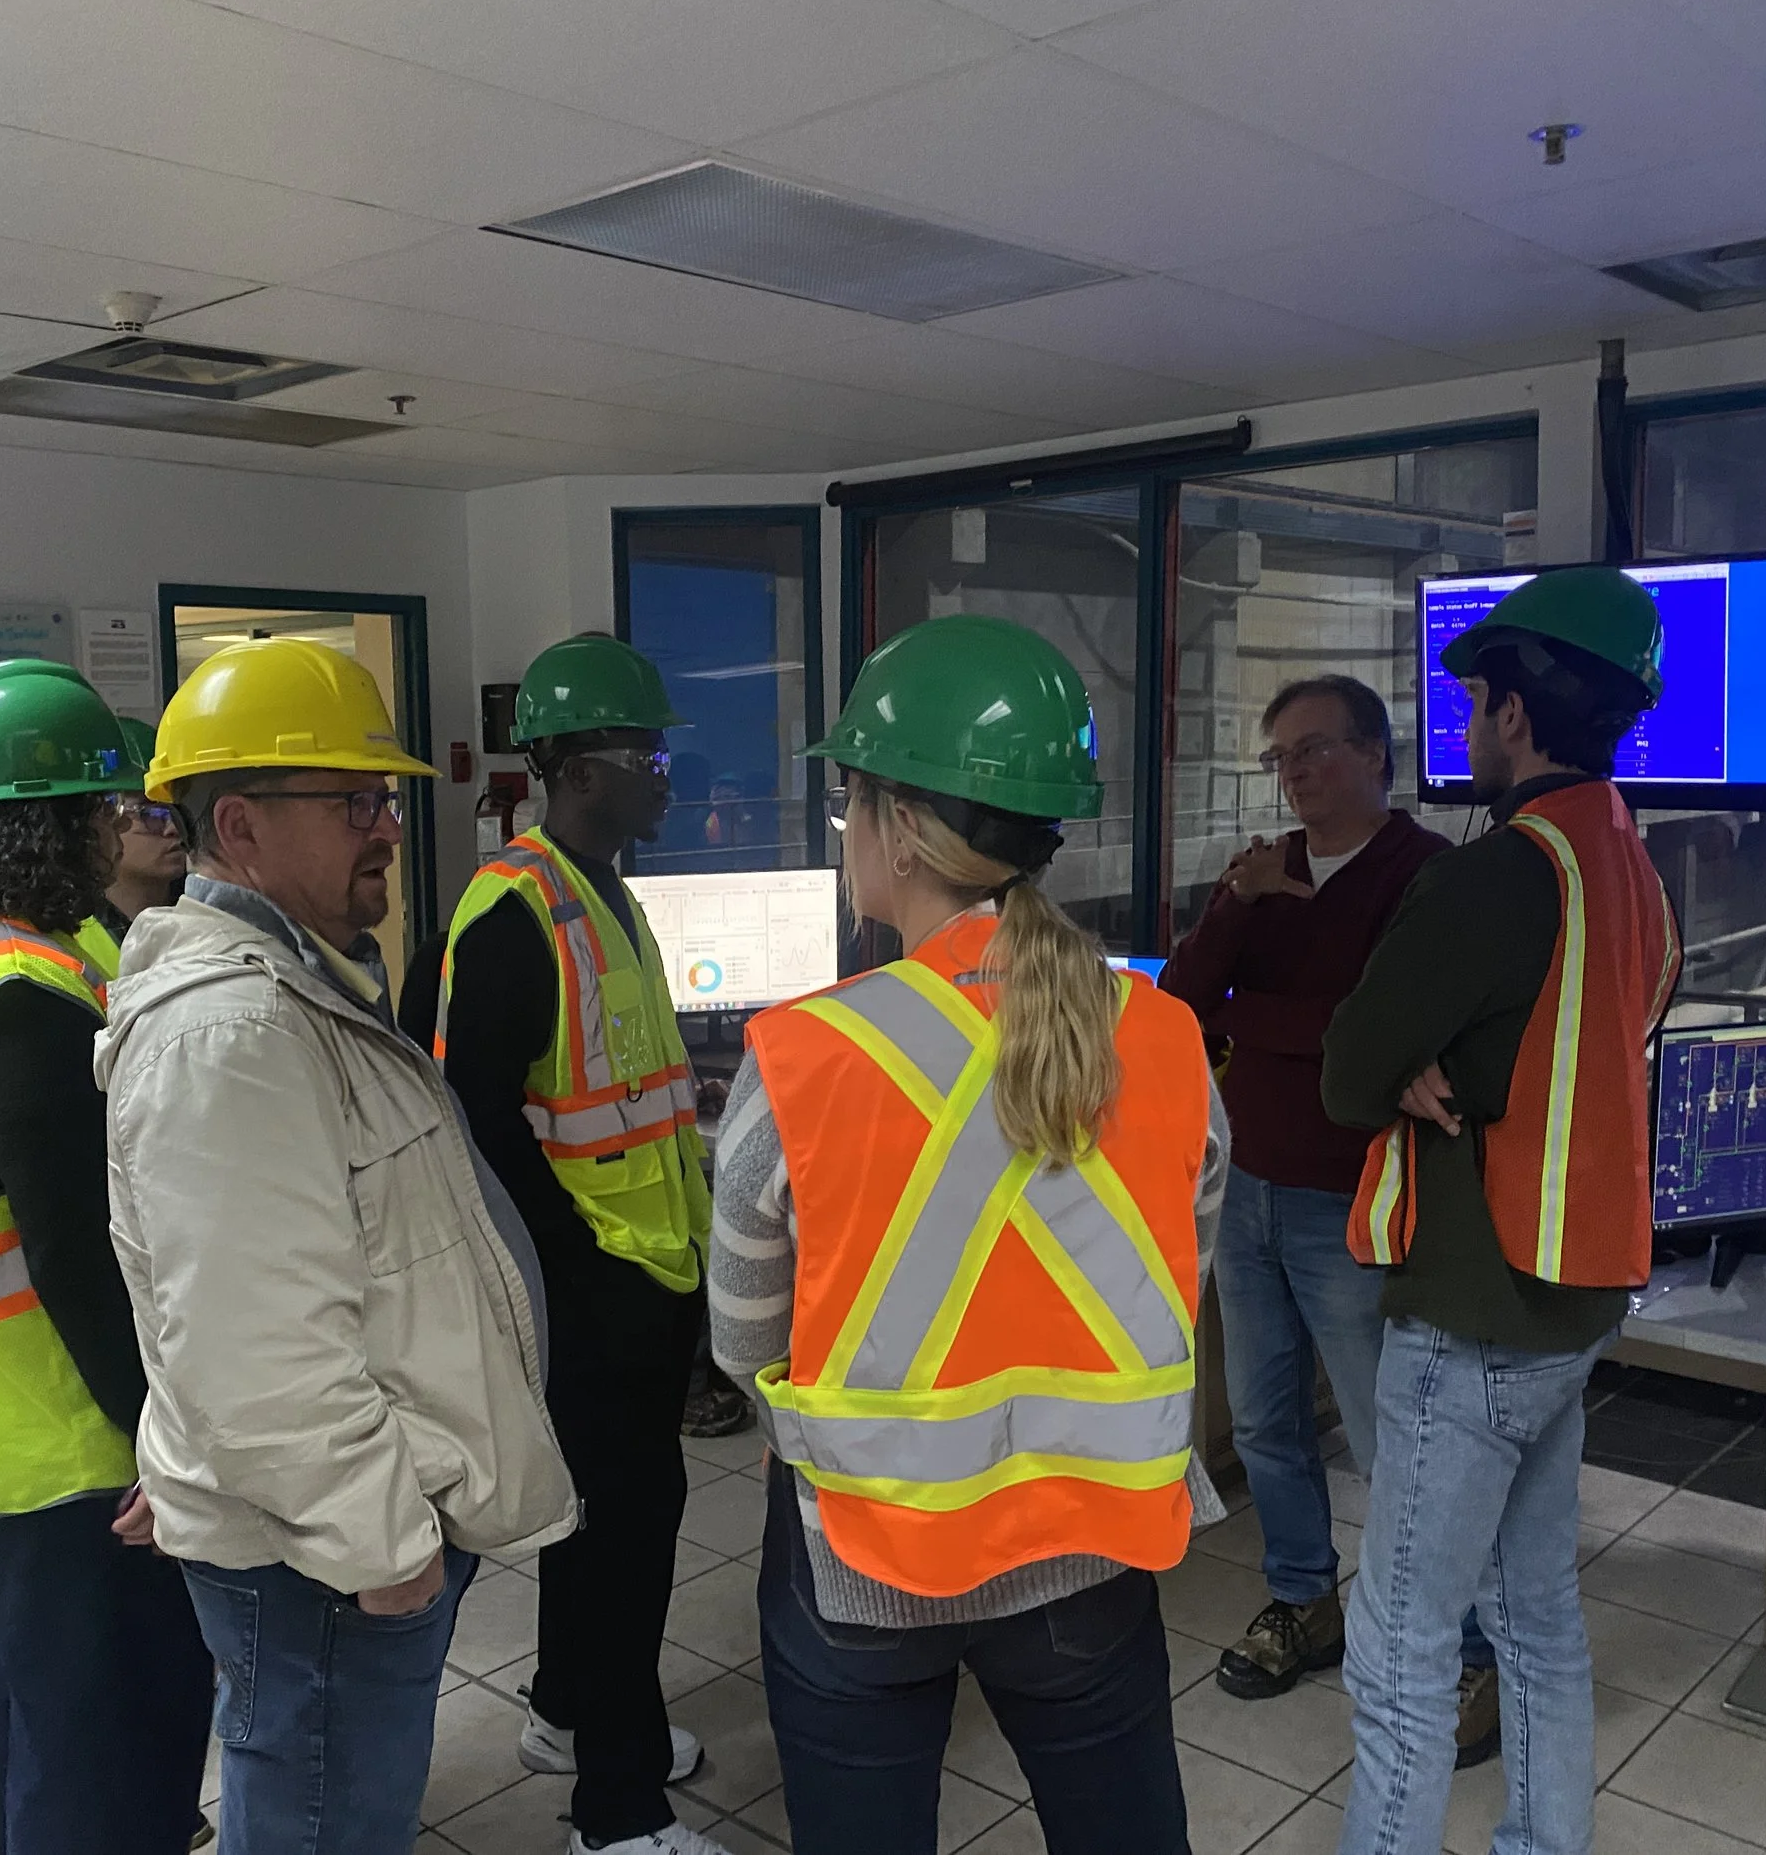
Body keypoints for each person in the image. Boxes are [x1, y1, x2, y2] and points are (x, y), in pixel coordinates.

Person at [711, 614, 1229, 1855]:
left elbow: (741, 1342)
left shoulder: (799, 1055)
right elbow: (1178, 1267)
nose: (847, 834)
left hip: (860, 1559)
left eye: (848, 806)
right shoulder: (1159, 1037)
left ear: (896, 825)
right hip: (1084, 1551)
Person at [101, 636, 577, 1855]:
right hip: (323, 1551)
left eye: (387, 799)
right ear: (244, 825)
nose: (386, 827)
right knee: (323, 1823)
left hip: (333, 1522)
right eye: (354, 801)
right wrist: (382, 1546)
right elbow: (255, 1350)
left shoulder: (302, 981)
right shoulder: (235, 1033)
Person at [1321, 567, 1680, 1855]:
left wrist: (1413, 1070)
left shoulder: (1499, 875)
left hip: (1472, 1315)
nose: (1467, 732)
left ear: (1519, 715)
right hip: (1573, 1304)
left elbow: (1350, 1067)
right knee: (1537, 1623)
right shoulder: (1629, 862)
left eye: (1476, 705)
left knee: (1402, 1654)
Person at [0, 658, 212, 1855]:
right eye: (109, 808)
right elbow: (75, 1252)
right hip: (68, 1444)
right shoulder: (20, 997)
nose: (121, 828)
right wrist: (159, 1445)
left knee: (27, 1724)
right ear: (57, 822)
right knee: (109, 1743)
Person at [418, 633, 724, 1855]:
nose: (667, 777)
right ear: (579, 769)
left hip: (644, 1269)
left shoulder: (607, 891)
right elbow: (474, 1125)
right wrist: (575, 1274)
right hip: (588, 1290)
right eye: (647, 755)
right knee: (624, 1544)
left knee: (597, 1523)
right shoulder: (513, 911)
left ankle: (566, 1710)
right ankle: (620, 1807)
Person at [1159, 679, 1491, 1747]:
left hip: (1356, 1200)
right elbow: (1175, 1005)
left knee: (1389, 1436)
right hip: (1249, 1190)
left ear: (1376, 757)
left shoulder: (1427, 875)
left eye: (1313, 752)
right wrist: (1239, 903)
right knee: (1261, 1423)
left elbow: (1375, 1031)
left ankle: (1456, 1644)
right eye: (1280, 758)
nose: (1295, 775)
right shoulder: (1268, 874)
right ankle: (1305, 1602)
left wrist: (1258, 1016)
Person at [96, 717, 183, 946]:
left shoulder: (209, 918)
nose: (174, 829)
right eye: (151, 815)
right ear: (105, 815)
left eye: (177, 812)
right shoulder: (78, 933)